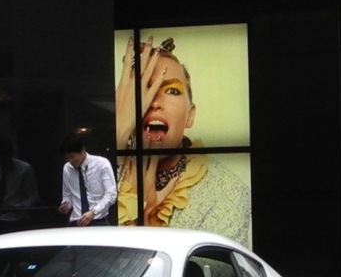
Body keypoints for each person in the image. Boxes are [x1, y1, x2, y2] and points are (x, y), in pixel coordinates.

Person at [114, 36, 251, 244]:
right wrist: (117, 134)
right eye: (143, 89)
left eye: (171, 90)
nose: (154, 103)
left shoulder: (228, 192)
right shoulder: (102, 171)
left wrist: (146, 220)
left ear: (190, 115)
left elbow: (212, 272)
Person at [58, 134, 117, 226]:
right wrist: (65, 205)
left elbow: (111, 194)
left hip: (98, 219)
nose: (70, 161)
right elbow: (68, 195)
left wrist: (93, 212)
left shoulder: (101, 164)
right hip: (76, 220)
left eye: (72, 156)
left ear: (82, 150)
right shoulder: (67, 168)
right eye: (67, 158)